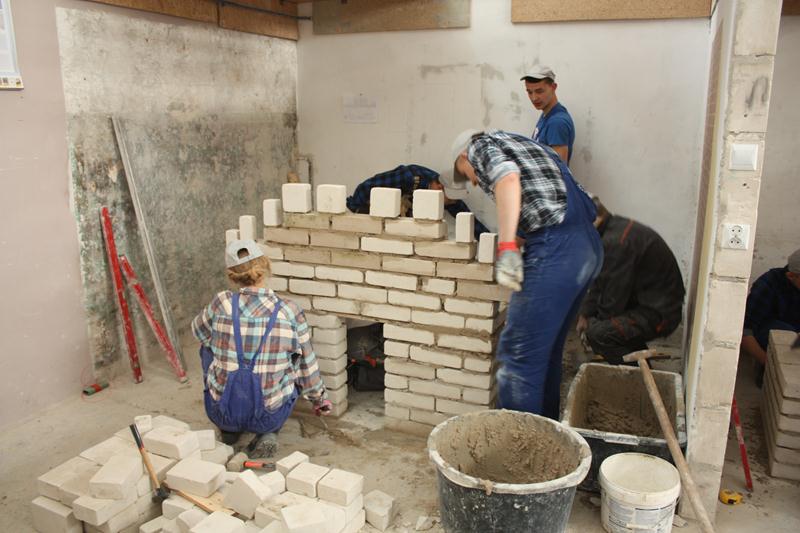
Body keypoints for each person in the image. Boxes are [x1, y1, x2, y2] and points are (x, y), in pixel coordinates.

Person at [441, 129, 602, 420]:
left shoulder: (479, 146)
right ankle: (546, 439)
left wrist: (506, 247)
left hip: (556, 250)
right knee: (544, 355)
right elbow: (554, 205)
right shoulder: (529, 146)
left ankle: (515, 447)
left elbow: (507, 178)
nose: (473, 182)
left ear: (464, 157)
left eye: (465, 174)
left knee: (519, 359)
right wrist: (516, 241)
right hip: (586, 248)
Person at [192, 239, 331, 458]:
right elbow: (307, 366)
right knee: (296, 359)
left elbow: (197, 331)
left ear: (232, 276)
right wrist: (319, 400)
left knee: (207, 345)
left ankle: (229, 430)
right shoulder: (288, 311)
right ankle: (268, 432)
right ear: (266, 265)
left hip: (221, 412)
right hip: (269, 415)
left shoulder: (221, 302)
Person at [576, 198, 685, 364]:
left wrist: (595, 329)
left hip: (660, 315)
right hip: (647, 305)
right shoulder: (612, 231)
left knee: (599, 334)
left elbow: (612, 303)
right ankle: (638, 363)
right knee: (601, 327)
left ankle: (633, 375)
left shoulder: (617, 242)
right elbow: (600, 280)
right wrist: (585, 313)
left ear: (595, 219)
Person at [346, 164, 490, 238]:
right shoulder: (409, 177)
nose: (452, 203)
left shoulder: (449, 196)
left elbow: (469, 221)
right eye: (450, 199)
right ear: (439, 186)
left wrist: (491, 243)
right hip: (370, 211)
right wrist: (356, 210)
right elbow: (367, 187)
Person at [741, 249, 800, 378]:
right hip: (770, 339)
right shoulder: (769, 284)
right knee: (785, 333)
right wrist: (771, 368)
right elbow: (745, 331)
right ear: (791, 276)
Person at [521, 67, 575, 164]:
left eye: (539, 91)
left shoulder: (557, 122)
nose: (534, 98)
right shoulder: (547, 114)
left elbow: (559, 169)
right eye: (529, 92)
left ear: (553, 87)